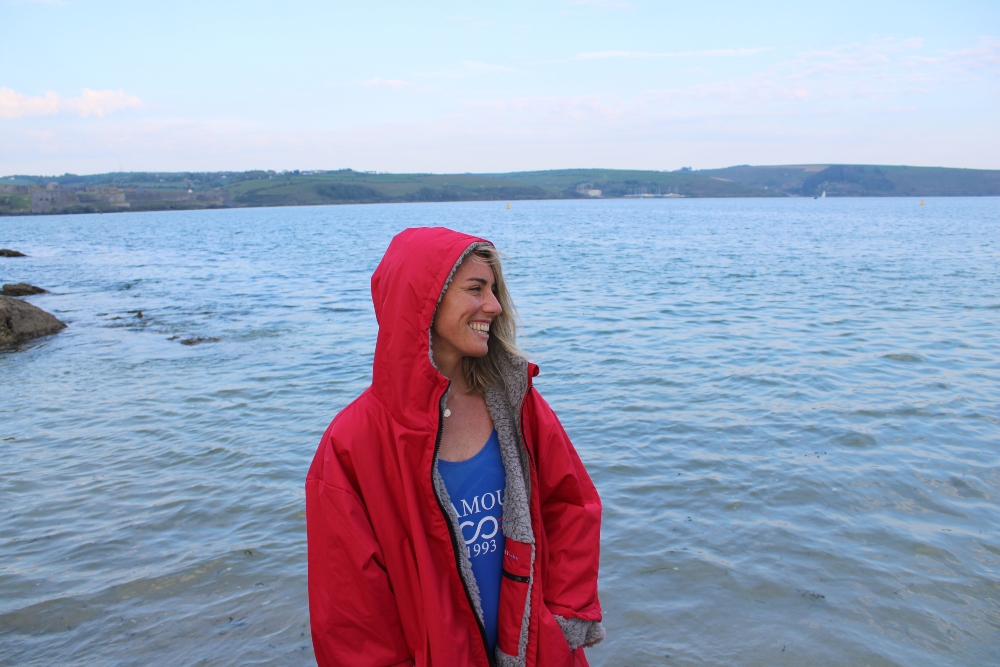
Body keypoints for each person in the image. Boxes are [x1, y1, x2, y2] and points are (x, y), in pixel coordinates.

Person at [306, 227, 604, 667]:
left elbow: (572, 505)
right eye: (475, 289)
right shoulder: (352, 443)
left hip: (535, 650)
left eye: (494, 290)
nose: (495, 305)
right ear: (424, 298)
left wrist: (559, 621)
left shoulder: (516, 402)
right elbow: (350, 611)